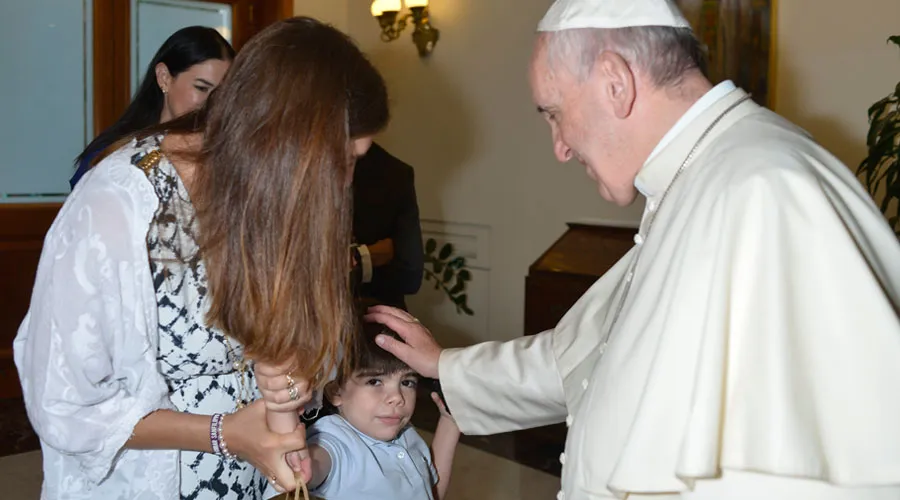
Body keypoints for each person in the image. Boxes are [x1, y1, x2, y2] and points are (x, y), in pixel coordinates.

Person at [367, 1, 900, 499]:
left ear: (615, 83)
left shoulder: (762, 189)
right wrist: (444, 365)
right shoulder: (702, 180)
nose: (560, 147)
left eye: (553, 114)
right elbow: (584, 356)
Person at [14, 17, 388, 499]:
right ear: (280, 137)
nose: (343, 183)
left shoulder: (269, 199)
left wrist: (293, 380)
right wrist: (224, 433)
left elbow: (289, 360)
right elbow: (62, 403)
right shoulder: (121, 204)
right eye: (342, 160)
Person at [304, 308, 459, 500]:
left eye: (406, 382)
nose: (397, 397)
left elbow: (431, 493)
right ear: (336, 391)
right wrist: (303, 467)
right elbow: (313, 466)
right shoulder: (335, 441)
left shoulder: (408, 435)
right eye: (374, 381)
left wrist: (449, 422)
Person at [69, 25, 234, 188]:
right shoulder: (114, 154)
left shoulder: (223, 156)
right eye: (201, 88)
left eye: (221, 94)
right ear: (164, 77)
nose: (212, 103)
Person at [350, 142, 425, 310]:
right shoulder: (291, 163)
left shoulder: (394, 172)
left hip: (373, 319)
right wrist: (366, 256)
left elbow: (410, 275)